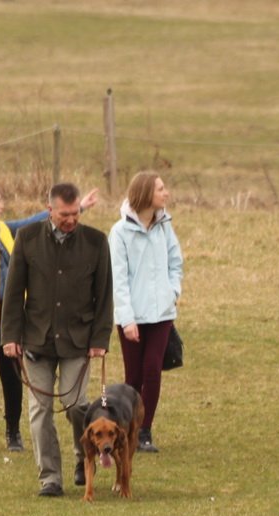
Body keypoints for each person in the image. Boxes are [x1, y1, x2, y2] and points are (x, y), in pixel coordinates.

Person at [0, 182, 97, 456]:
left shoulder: (3, 229)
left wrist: (78, 208)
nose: (2, 204)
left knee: (12, 376)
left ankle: (13, 434)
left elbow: (36, 220)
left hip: (9, 316)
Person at [1, 183, 113, 497]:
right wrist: (10, 335)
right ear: (50, 210)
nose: (71, 219)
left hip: (79, 340)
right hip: (36, 341)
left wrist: (100, 338)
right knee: (40, 411)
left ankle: (84, 456)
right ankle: (50, 478)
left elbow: (104, 296)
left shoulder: (96, 242)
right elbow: (13, 292)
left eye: (75, 213)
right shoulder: (27, 239)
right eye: (64, 214)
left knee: (77, 405)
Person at [108, 171, 184, 454]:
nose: (166, 193)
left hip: (162, 315)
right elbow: (119, 279)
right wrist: (127, 319)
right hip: (133, 318)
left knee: (153, 370)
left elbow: (176, 262)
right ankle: (125, 428)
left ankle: (144, 431)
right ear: (145, 194)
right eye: (161, 189)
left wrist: (172, 291)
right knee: (134, 376)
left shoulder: (165, 227)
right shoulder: (119, 233)